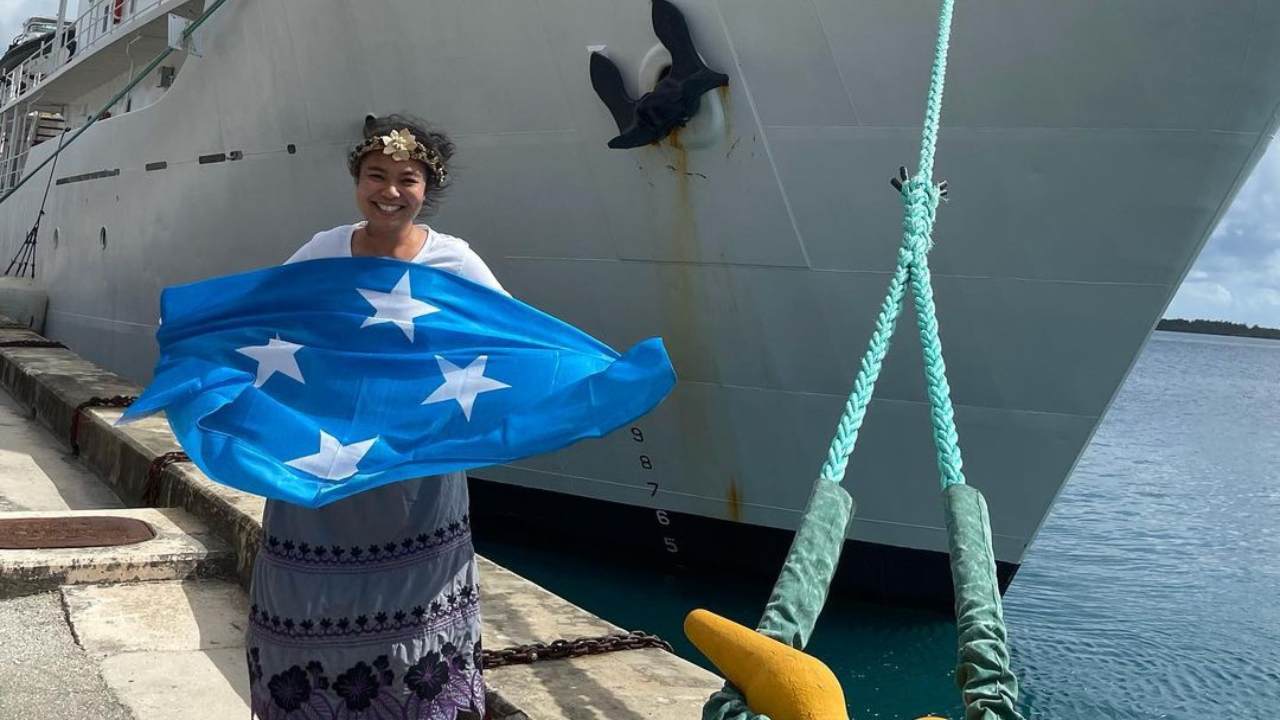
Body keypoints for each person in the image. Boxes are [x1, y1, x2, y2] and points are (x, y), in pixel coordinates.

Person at [244, 113, 501, 719]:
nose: (389, 191)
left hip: (415, 464)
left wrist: (589, 375)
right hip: (324, 459)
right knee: (310, 595)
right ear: (357, 181)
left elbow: (511, 336)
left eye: (406, 179)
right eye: (375, 175)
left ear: (426, 188)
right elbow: (261, 318)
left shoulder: (453, 261)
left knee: (414, 599)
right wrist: (198, 338)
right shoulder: (324, 249)